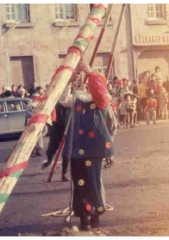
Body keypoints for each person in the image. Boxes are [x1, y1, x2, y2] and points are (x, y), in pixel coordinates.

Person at [59, 62, 113, 230]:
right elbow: (62, 98)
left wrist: (90, 73)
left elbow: (100, 95)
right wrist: (69, 81)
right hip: (77, 148)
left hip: (94, 147)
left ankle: (96, 215)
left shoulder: (102, 97)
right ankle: (84, 217)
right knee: (80, 182)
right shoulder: (76, 98)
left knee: (94, 181)